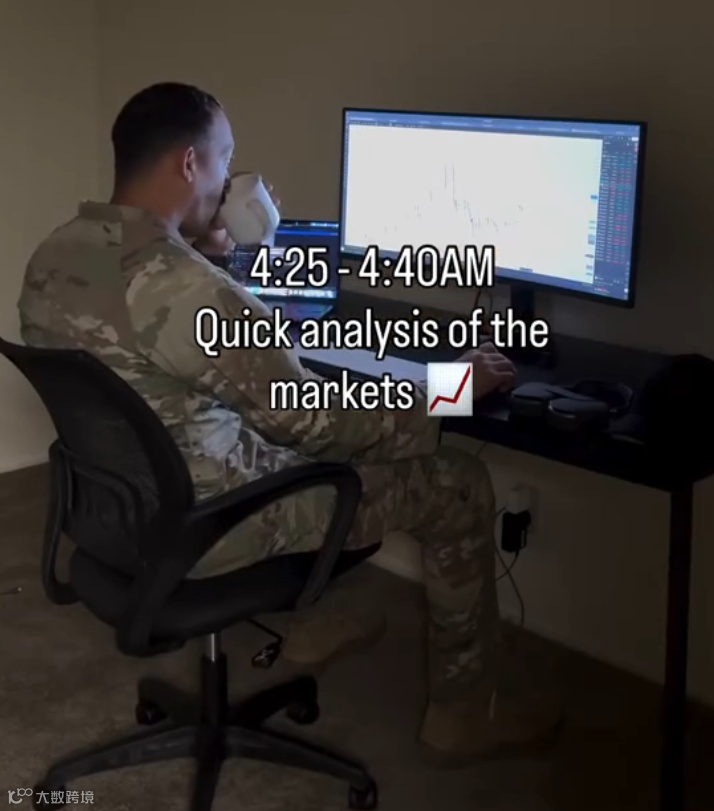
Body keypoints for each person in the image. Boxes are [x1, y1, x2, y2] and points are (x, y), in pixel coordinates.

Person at [17, 82, 561, 765]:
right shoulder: (187, 288)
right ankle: (461, 717)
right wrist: (452, 387)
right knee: (456, 482)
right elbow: (319, 423)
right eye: (225, 159)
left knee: (287, 437)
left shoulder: (55, 255)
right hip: (216, 524)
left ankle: (319, 618)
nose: (229, 179)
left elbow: (154, 352)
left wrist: (208, 256)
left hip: (115, 511)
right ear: (190, 164)